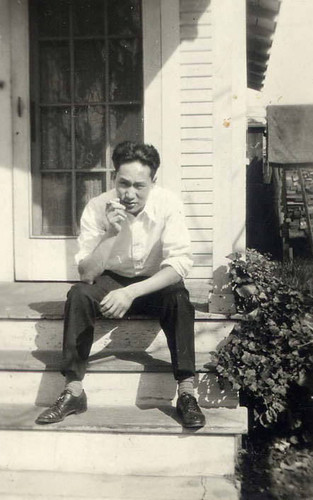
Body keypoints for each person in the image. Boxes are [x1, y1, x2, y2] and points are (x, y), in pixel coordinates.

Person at [36, 141, 206, 428]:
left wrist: (130, 292)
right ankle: (73, 390)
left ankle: (187, 392)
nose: (129, 194)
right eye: (123, 183)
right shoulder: (97, 207)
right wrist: (111, 234)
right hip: (111, 279)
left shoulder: (168, 204)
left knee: (179, 299)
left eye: (139, 186)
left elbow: (178, 266)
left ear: (153, 181)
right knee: (78, 295)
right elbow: (87, 274)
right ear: (113, 179)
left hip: (154, 283)